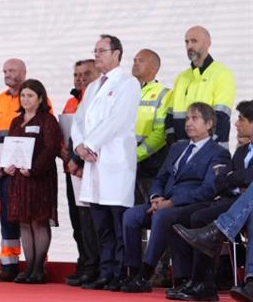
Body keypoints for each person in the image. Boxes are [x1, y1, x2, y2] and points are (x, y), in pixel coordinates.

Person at [119, 103, 230, 293]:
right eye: (187, 118)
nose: (188, 123)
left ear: (209, 123)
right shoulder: (178, 148)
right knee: (130, 215)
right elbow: (161, 177)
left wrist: (171, 203)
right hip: (163, 201)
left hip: (190, 205)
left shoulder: (219, 153)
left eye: (194, 118)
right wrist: (155, 197)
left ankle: (145, 275)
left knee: (162, 216)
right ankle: (132, 272)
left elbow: (208, 190)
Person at [74, 34, 142, 291]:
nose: (97, 55)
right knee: (101, 224)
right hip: (92, 163)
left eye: (101, 50)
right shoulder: (92, 87)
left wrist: (90, 144)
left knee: (118, 222)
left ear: (116, 53)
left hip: (115, 162)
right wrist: (80, 146)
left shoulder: (128, 83)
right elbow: (79, 120)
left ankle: (121, 272)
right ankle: (106, 270)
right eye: (95, 50)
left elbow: (118, 120)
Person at [169, 100, 253, 301]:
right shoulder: (241, 151)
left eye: (241, 119)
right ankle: (203, 283)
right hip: (235, 201)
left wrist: (238, 178)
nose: (235, 124)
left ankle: (248, 281)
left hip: (243, 203)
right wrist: (238, 178)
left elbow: (244, 178)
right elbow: (224, 180)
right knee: (198, 217)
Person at [2, 78, 64, 284]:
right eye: (23, 95)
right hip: (20, 180)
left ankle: (38, 269)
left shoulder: (47, 120)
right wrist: (8, 166)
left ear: (40, 99)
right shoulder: (15, 121)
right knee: (24, 223)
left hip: (39, 178)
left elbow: (51, 148)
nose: (26, 99)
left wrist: (34, 169)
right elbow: (10, 147)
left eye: (30, 95)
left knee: (38, 221)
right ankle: (28, 267)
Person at [63, 59, 102, 287]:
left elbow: (89, 133)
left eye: (86, 73)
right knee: (78, 220)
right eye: (76, 74)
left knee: (92, 221)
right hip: (72, 168)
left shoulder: (97, 100)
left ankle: (94, 266)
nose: (80, 78)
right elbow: (69, 133)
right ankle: (84, 262)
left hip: (89, 166)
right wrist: (65, 153)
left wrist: (76, 159)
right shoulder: (71, 101)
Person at [0, 59, 27, 282]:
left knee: (30, 217)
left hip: (26, 171)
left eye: (12, 70)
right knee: (6, 216)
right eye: (4, 71)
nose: (7, 74)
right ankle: (9, 265)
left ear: (23, 72)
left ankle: (34, 264)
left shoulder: (36, 97)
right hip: (4, 171)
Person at [167, 27, 236, 145]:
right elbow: (169, 117)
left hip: (212, 152)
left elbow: (221, 117)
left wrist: (203, 148)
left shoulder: (222, 74)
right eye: (186, 42)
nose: (189, 46)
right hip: (183, 152)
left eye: (194, 41)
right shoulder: (181, 77)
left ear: (208, 44)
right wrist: (174, 145)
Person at [133, 49, 171, 204]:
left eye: (141, 60)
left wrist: (136, 155)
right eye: (134, 60)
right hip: (126, 164)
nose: (135, 63)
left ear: (154, 68)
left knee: (151, 213)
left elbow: (160, 133)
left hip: (151, 164)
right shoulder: (127, 91)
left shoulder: (165, 94)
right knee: (129, 216)